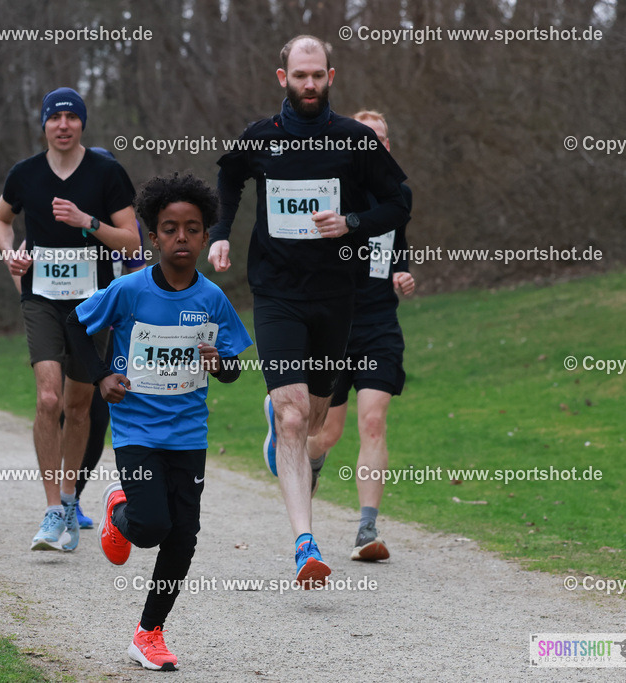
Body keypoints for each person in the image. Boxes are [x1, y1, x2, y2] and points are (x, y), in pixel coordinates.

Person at [208, 35, 409, 587]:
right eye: (300, 75)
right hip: (276, 292)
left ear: (331, 76)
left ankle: (292, 435)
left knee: (317, 418)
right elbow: (229, 177)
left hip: (336, 295)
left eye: (318, 75)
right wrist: (221, 232)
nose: (310, 84)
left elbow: (399, 202)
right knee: (294, 416)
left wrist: (351, 223)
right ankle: (305, 543)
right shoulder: (262, 137)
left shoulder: (355, 140)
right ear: (284, 79)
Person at [67, 173, 252, 671]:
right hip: (138, 430)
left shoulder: (212, 299)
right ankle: (120, 511)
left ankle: (149, 633)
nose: (181, 238)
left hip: (188, 433)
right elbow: (75, 324)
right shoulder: (128, 290)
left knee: (183, 535)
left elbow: (232, 367)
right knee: (150, 527)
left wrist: (221, 364)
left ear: (205, 236)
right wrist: (101, 375)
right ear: (153, 236)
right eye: (170, 229)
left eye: (192, 229)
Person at [0, 87, 140, 552]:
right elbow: (0, 221)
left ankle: (72, 500)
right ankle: (53, 508)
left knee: (78, 407)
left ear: (81, 123)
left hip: (92, 305)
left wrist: (86, 221)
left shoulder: (106, 173)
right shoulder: (25, 174)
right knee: (48, 398)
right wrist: (10, 255)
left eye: (71, 117)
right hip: (40, 300)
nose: (62, 125)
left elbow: (132, 242)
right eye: (54, 118)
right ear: (44, 124)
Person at [308, 110, 415, 561]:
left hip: (379, 325)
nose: (374, 144)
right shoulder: (329, 191)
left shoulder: (399, 195)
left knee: (373, 421)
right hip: (335, 325)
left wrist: (402, 273)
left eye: (381, 138)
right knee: (325, 433)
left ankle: (366, 530)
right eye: (365, 137)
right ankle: (307, 463)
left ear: (388, 146)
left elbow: (395, 247)